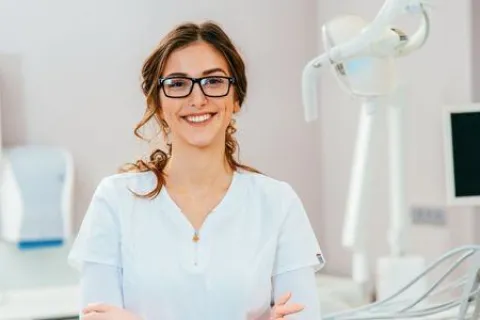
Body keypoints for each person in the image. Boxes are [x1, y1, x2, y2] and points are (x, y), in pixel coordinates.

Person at [68, 20, 324, 320]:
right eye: (177, 84)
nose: (197, 98)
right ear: (159, 103)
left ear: (236, 97)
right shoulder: (115, 200)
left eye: (213, 81)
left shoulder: (278, 203)